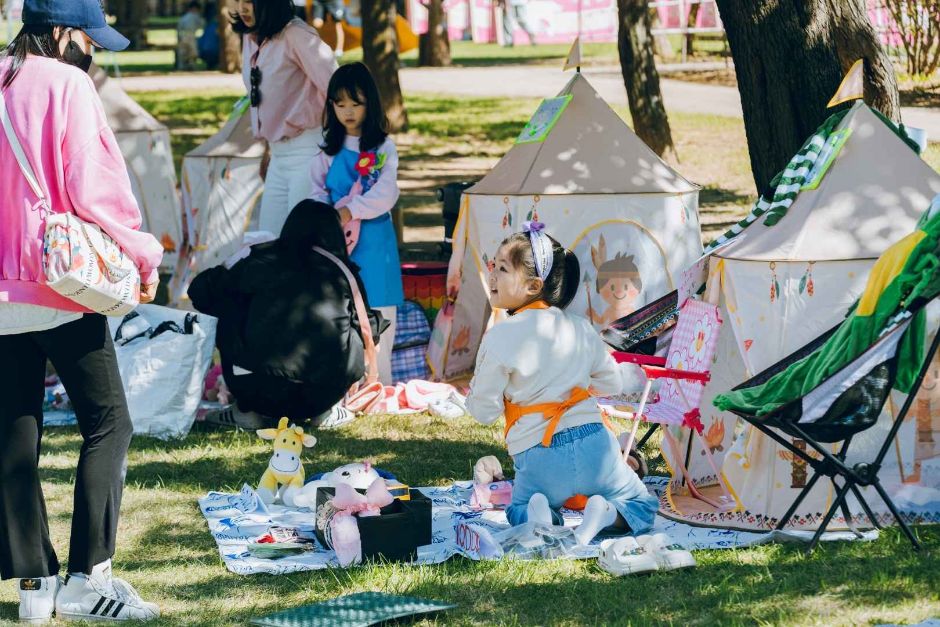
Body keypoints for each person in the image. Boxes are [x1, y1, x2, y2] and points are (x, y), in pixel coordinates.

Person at [0, 0, 163, 621]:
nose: (92, 53)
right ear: (63, 34)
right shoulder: (67, 84)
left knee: (15, 433)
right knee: (108, 422)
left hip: (2, 290)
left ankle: (33, 588)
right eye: (89, 40)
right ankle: (86, 579)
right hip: (57, 285)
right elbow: (97, 187)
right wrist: (143, 255)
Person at [465, 222, 658, 546]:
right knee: (641, 506)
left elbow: (483, 411)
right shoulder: (580, 328)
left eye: (501, 268)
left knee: (519, 507)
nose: (492, 276)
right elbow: (611, 382)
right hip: (595, 447)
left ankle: (540, 512)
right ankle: (605, 513)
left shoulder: (499, 336)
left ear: (533, 285)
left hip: (538, 455)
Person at [187, 200, 387, 428]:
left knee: (232, 305)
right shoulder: (342, 272)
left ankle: (245, 411)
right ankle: (326, 412)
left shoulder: (259, 260)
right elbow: (369, 330)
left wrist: (233, 264)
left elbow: (200, 292)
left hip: (254, 387)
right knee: (353, 326)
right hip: (322, 394)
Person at [310, 62, 404, 385]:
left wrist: (349, 211)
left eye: (356, 103)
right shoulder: (327, 152)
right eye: (340, 104)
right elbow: (316, 192)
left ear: (371, 104)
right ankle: (347, 384)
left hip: (376, 242)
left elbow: (386, 192)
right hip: (338, 245)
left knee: (380, 308)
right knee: (342, 309)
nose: (348, 112)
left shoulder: (383, 148)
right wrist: (326, 219)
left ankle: (381, 384)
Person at [232, 0, 337, 234]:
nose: (243, 8)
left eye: (250, 1)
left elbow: (338, 88)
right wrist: (268, 150)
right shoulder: (250, 38)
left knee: (300, 242)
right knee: (269, 239)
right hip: (278, 156)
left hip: (309, 152)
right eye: (238, 0)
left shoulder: (297, 35)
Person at [176, 1, 204, 71]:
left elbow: (179, 28)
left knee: (185, 52)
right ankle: (188, 66)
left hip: (184, 36)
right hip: (189, 36)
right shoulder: (194, 16)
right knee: (191, 52)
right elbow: (201, 24)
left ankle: (185, 66)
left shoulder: (184, 17)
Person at [197, 2, 220, 70]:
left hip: (203, 52)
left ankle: (210, 65)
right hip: (213, 52)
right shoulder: (217, 26)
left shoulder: (208, 26)